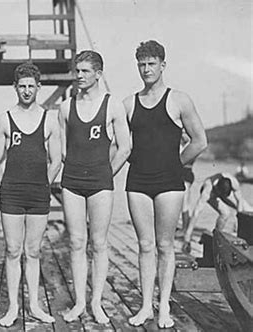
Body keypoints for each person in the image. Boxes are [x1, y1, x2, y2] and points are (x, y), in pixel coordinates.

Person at [122, 40, 207, 328]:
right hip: (138, 181)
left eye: (151, 64)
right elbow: (121, 146)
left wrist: (177, 163)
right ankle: (146, 306)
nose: (146, 69)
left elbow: (200, 141)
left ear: (163, 65)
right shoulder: (128, 104)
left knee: (165, 244)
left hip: (170, 182)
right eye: (142, 64)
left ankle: (164, 309)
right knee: (145, 245)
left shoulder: (179, 100)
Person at [58, 50, 131, 324]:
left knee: (99, 243)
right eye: (77, 71)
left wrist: (106, 174)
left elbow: (125, 147)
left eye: (85, 71)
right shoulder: (66, 107)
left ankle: (96, 302)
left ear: (98, 74)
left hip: (101, 182)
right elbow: (64, 151)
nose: (79, 76)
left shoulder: (112, 106)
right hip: (72, 181)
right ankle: (79, 302)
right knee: (77, 242)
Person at [0, 62, 61, 327]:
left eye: (31, 86)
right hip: (12, 194)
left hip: (38, 194)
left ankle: (34, 305)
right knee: (12, 250)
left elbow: (56, 160)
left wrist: (46, 184)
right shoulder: (4, 119)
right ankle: (12, 307)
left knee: (33, 250)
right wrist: (2, 187)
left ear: (39, 88)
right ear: (15, 88)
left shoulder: (50, 119)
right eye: (22, 87)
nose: (27, 91)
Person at [182, 172, 253, 252]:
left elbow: (239, 201)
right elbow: (196, 212)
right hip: (212, 194)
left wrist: (239, 223)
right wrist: (187, 237)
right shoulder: (208, 189)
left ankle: (218, 235)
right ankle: (216, 236)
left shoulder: (234, 183)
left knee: (248, 209)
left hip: (223, 191)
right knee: (225, 213)